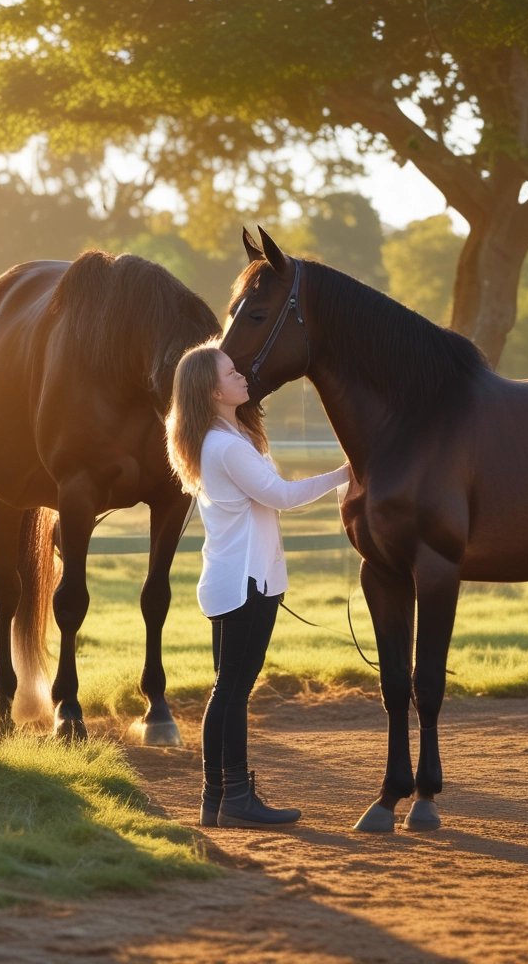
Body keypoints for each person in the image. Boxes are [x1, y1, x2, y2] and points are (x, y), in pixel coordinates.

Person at [166, 342, 350, 829]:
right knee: (231, 690)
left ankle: (220, 797)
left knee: (229, 689)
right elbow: (282, 497)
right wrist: (345, 472)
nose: (242, 375)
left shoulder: (226, 438)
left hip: (238, 577)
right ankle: (234, 797)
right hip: (244, 581)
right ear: (212, 389)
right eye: (231, 371)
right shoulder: (224, 446)